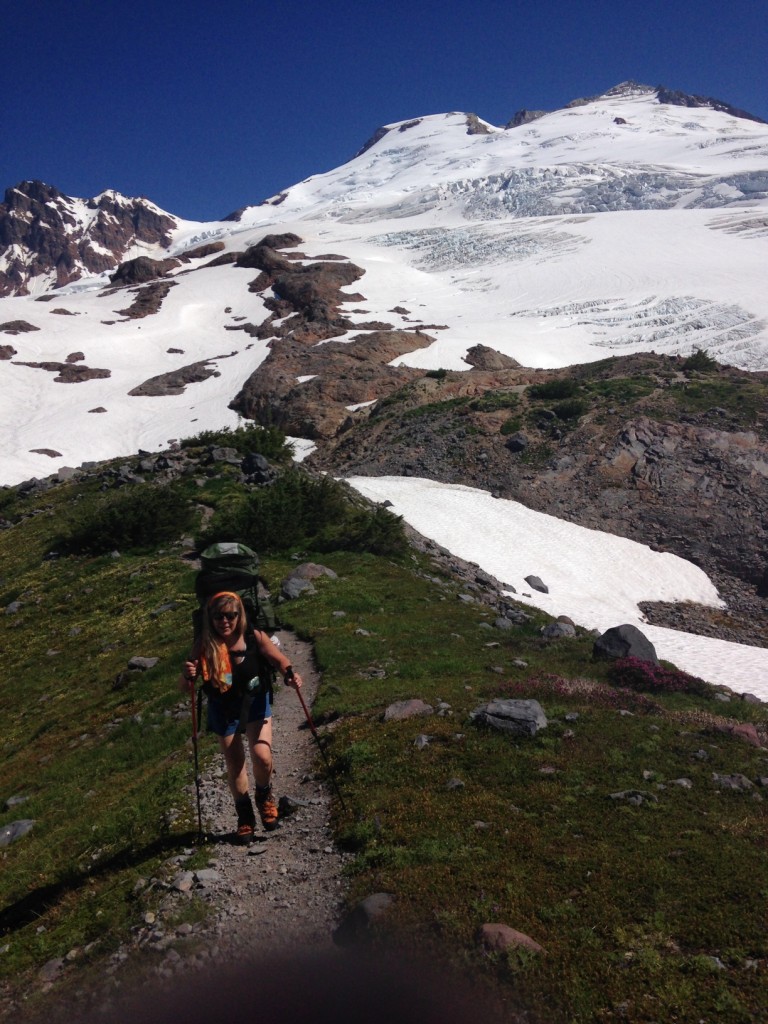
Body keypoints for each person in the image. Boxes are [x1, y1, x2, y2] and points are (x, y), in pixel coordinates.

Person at [179, 590, 303, 842]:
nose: (224, 621)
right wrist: (187, 673)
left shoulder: (254, 637)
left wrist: (290, 674)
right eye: (217, 616)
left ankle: (264, 795)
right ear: (209, 618)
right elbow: (185, 686)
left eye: (230, 615)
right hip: (223, 708)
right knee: (235, 765)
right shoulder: (204, 643)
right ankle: (245, 816)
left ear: (240, 615)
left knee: (262, 756)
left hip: (255, 703)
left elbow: (279, 660)